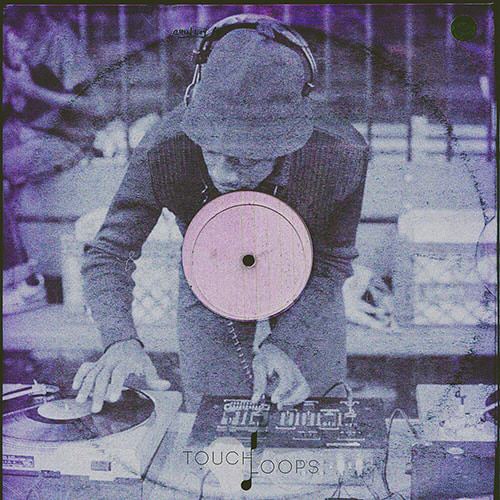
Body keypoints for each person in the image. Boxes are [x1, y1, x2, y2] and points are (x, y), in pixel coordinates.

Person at [73, 16, 369, 413]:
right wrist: (119, 339)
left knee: (313, 409)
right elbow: (110, 252)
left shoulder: (340, 155)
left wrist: (285, 343)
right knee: (214, 415)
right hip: (209, 270)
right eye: (213, 150)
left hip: (308, 274)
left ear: (287, 142)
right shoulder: (164, 149)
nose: (226, 174)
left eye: (248, 159)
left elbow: (333, 261)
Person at [3, 8, 112, 314]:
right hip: (22, 132)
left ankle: (25, 281)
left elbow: (96, 106)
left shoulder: (59, 39)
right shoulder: (9, 36)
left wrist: (31, 90)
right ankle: (20, 279)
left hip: (65, 138)